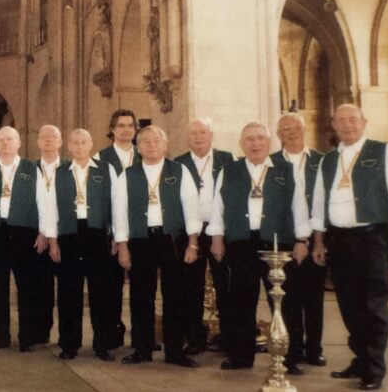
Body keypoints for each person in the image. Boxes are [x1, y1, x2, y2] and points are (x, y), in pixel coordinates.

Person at [311, 104, 388, 391]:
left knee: (373, 303)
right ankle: (361, 359)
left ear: (364, 122)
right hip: (339, 240)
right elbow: (319, 203)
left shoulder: (384, 151)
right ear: (333, 125)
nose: (347, 125)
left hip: (372, 238)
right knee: (348, 303)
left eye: (353, 120)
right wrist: (318, 241)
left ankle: (374, 368)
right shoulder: (328, 161)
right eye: (341, 121)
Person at [208, 122, 310, 370]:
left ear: (269, 142)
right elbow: (217, 207)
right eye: (250, 140)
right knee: (240, 302)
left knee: (286, 301)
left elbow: (299, 206)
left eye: (259, 139)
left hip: (277, 243)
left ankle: (291, 357)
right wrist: (217, 239)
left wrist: (302, 240)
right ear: (242, 145)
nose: (255, 144)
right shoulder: (229, 170)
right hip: (241, 241)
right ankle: (241, 356)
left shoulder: (287, 170)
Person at [114, 125, 202, 368]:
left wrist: (193, 243)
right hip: (141, 240)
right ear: (138, 147)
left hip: (173, 240)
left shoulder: (179, 171)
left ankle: (175, 351)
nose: (151, 145)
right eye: (146, 141)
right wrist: (122, 246)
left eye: (156, 141)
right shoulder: (127, 176)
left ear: (165, 145)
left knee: (176, 296)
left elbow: (191, 209)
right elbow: (119, 213)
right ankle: (142, 349)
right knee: (141, 296)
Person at [40, 128, 120, 361]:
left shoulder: (106, 170)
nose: (79, 146)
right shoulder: (60, 172)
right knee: (68, 292)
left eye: (83, 141)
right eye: (74, 142)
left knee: (101, 292)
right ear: (69, 146)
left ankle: (102, 345)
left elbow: (116, 205)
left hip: (98, 234)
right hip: (69, 235)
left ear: (91, 143)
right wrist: (53, 242)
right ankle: (69, 344)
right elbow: (50, 210)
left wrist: (117, 237)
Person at [0, 126, 41, 352]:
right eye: (1, 140)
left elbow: (43, 201)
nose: (5, 144)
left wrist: (44, 232)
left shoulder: (32, 168)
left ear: (18, 143)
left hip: (25, 232)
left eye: (10, 139)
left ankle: (27, 338)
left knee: (27, 287)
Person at [173, 118, 234, 354]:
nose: (198, 137)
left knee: (225, 284)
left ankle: (229, 337)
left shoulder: (226, 159)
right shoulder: (178, 163)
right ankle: (195, 338)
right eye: (194, 133)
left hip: (219, 229)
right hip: (190, 232)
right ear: (187, 137)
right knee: (191, 286)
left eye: (203, 132)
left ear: (211, 135)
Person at [273, 113, 327, 374]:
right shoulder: (270, 163)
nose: (291, 132)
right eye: (285, 128)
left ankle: (314, 349)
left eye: (295, 127)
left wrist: (315, 240)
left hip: (317, 238)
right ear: (278, 134)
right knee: (288, 297)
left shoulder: (322, 161)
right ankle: (291, 350)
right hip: (283, 239)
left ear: (304, 130)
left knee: (314, 296)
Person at [93, 109, 139, 351]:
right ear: (112, 129)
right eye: (120, 125)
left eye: (130, 125)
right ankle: (110, 336)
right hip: (111, 232)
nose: (125, 129)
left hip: (141, 228)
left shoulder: (145, 154)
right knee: (110, 288)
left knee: (142, 287)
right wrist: (112, 232)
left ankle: (143, 338)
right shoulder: (100, 158)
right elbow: (100, 199)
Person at [32, 125, 63, 346]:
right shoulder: (28, 169)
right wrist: (43, 232)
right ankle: (41, 332)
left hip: (66, 234)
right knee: (41, 287)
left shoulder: (71, 168)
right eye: (44, 137)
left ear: (60, 142)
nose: (49, 140)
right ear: (38, 142)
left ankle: (67, 336)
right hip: (38, 236)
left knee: (67, 288)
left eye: (53, 137)